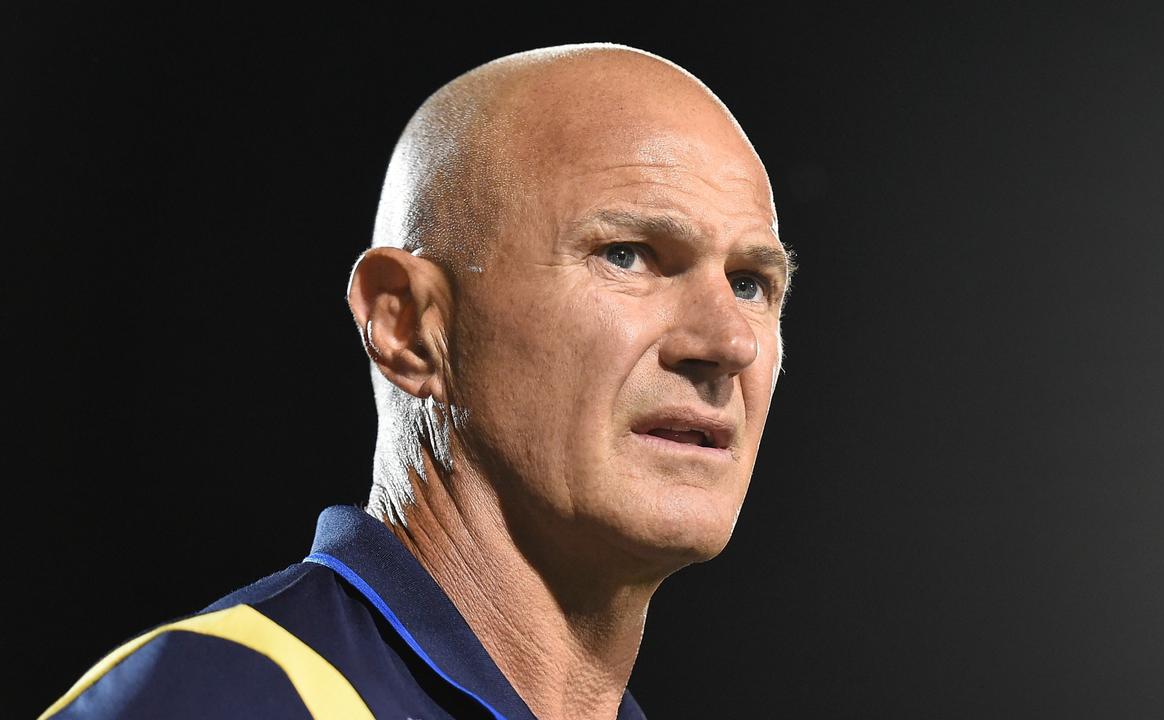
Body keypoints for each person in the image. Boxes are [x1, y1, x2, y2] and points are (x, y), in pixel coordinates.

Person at [40, 42, 796, 720]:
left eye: (751, 282)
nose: (727, 341)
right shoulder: (214, 702)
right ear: (407, 328)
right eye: (627, 254)